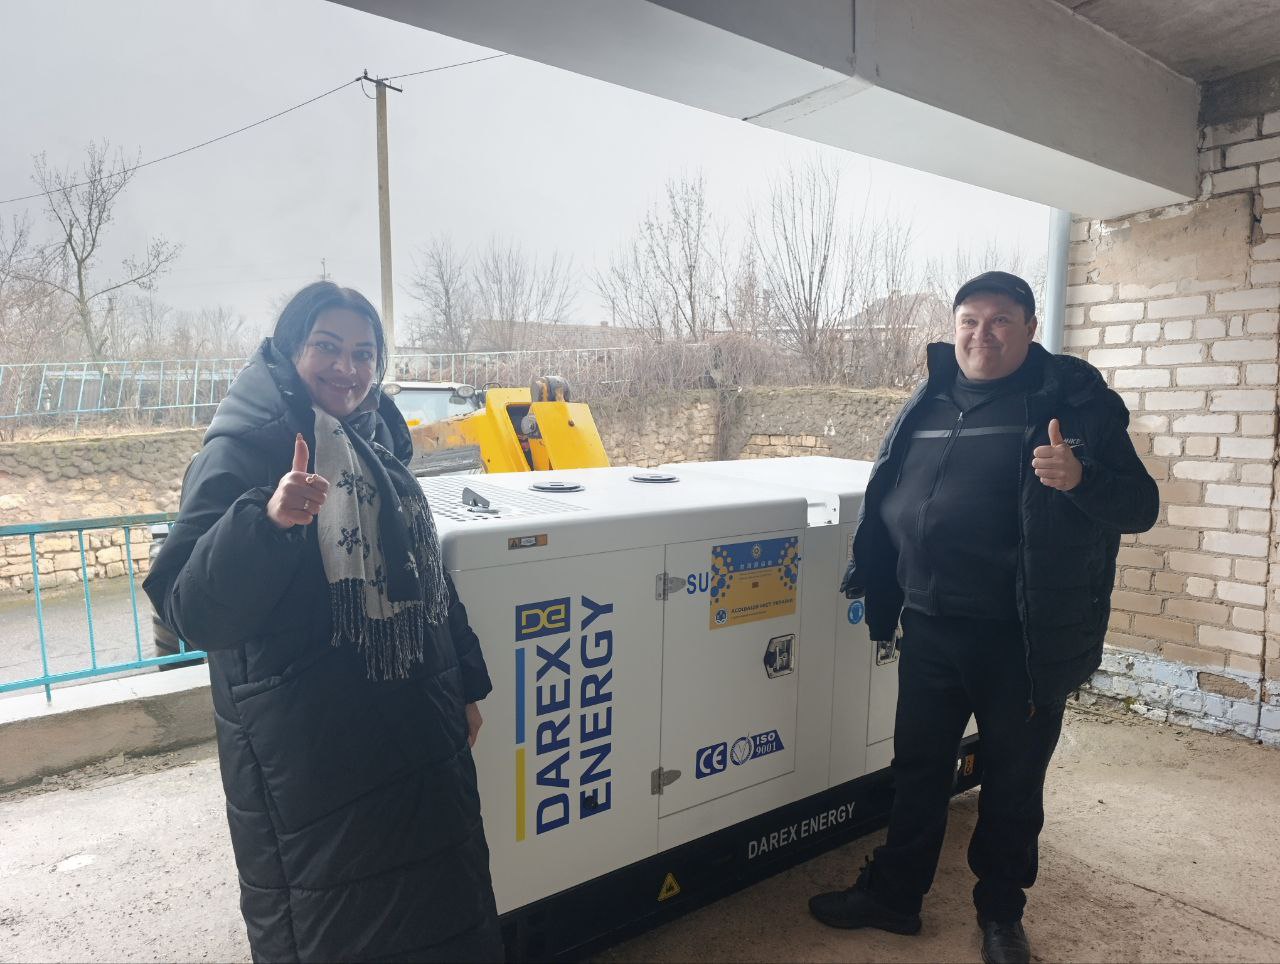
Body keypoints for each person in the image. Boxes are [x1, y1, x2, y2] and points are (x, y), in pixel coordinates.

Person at [144, 282, 502, 962]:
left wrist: (465, 684)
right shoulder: (241, 451)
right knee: (338, 924)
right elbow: (190, 608)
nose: (348, 368)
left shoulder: (380, 443)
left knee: (441, 913)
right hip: (315, 751)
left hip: (418, 725)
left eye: (364, 353)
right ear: (289, 351)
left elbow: (425, 575)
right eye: (328, 348)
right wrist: (267, 520)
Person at [809, 271, 1159, 964]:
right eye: (969, 320)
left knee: (1012, 783)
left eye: (1000, 320)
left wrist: (1081, 478)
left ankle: (1000, 913)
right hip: (930, 623)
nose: (982, 334)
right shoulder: (930, 398)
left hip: (1021, 637)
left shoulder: (1074, 405)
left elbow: (1141, 506)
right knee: (917, 768)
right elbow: (894, 488)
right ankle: (895, 896)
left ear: (1030, 328)